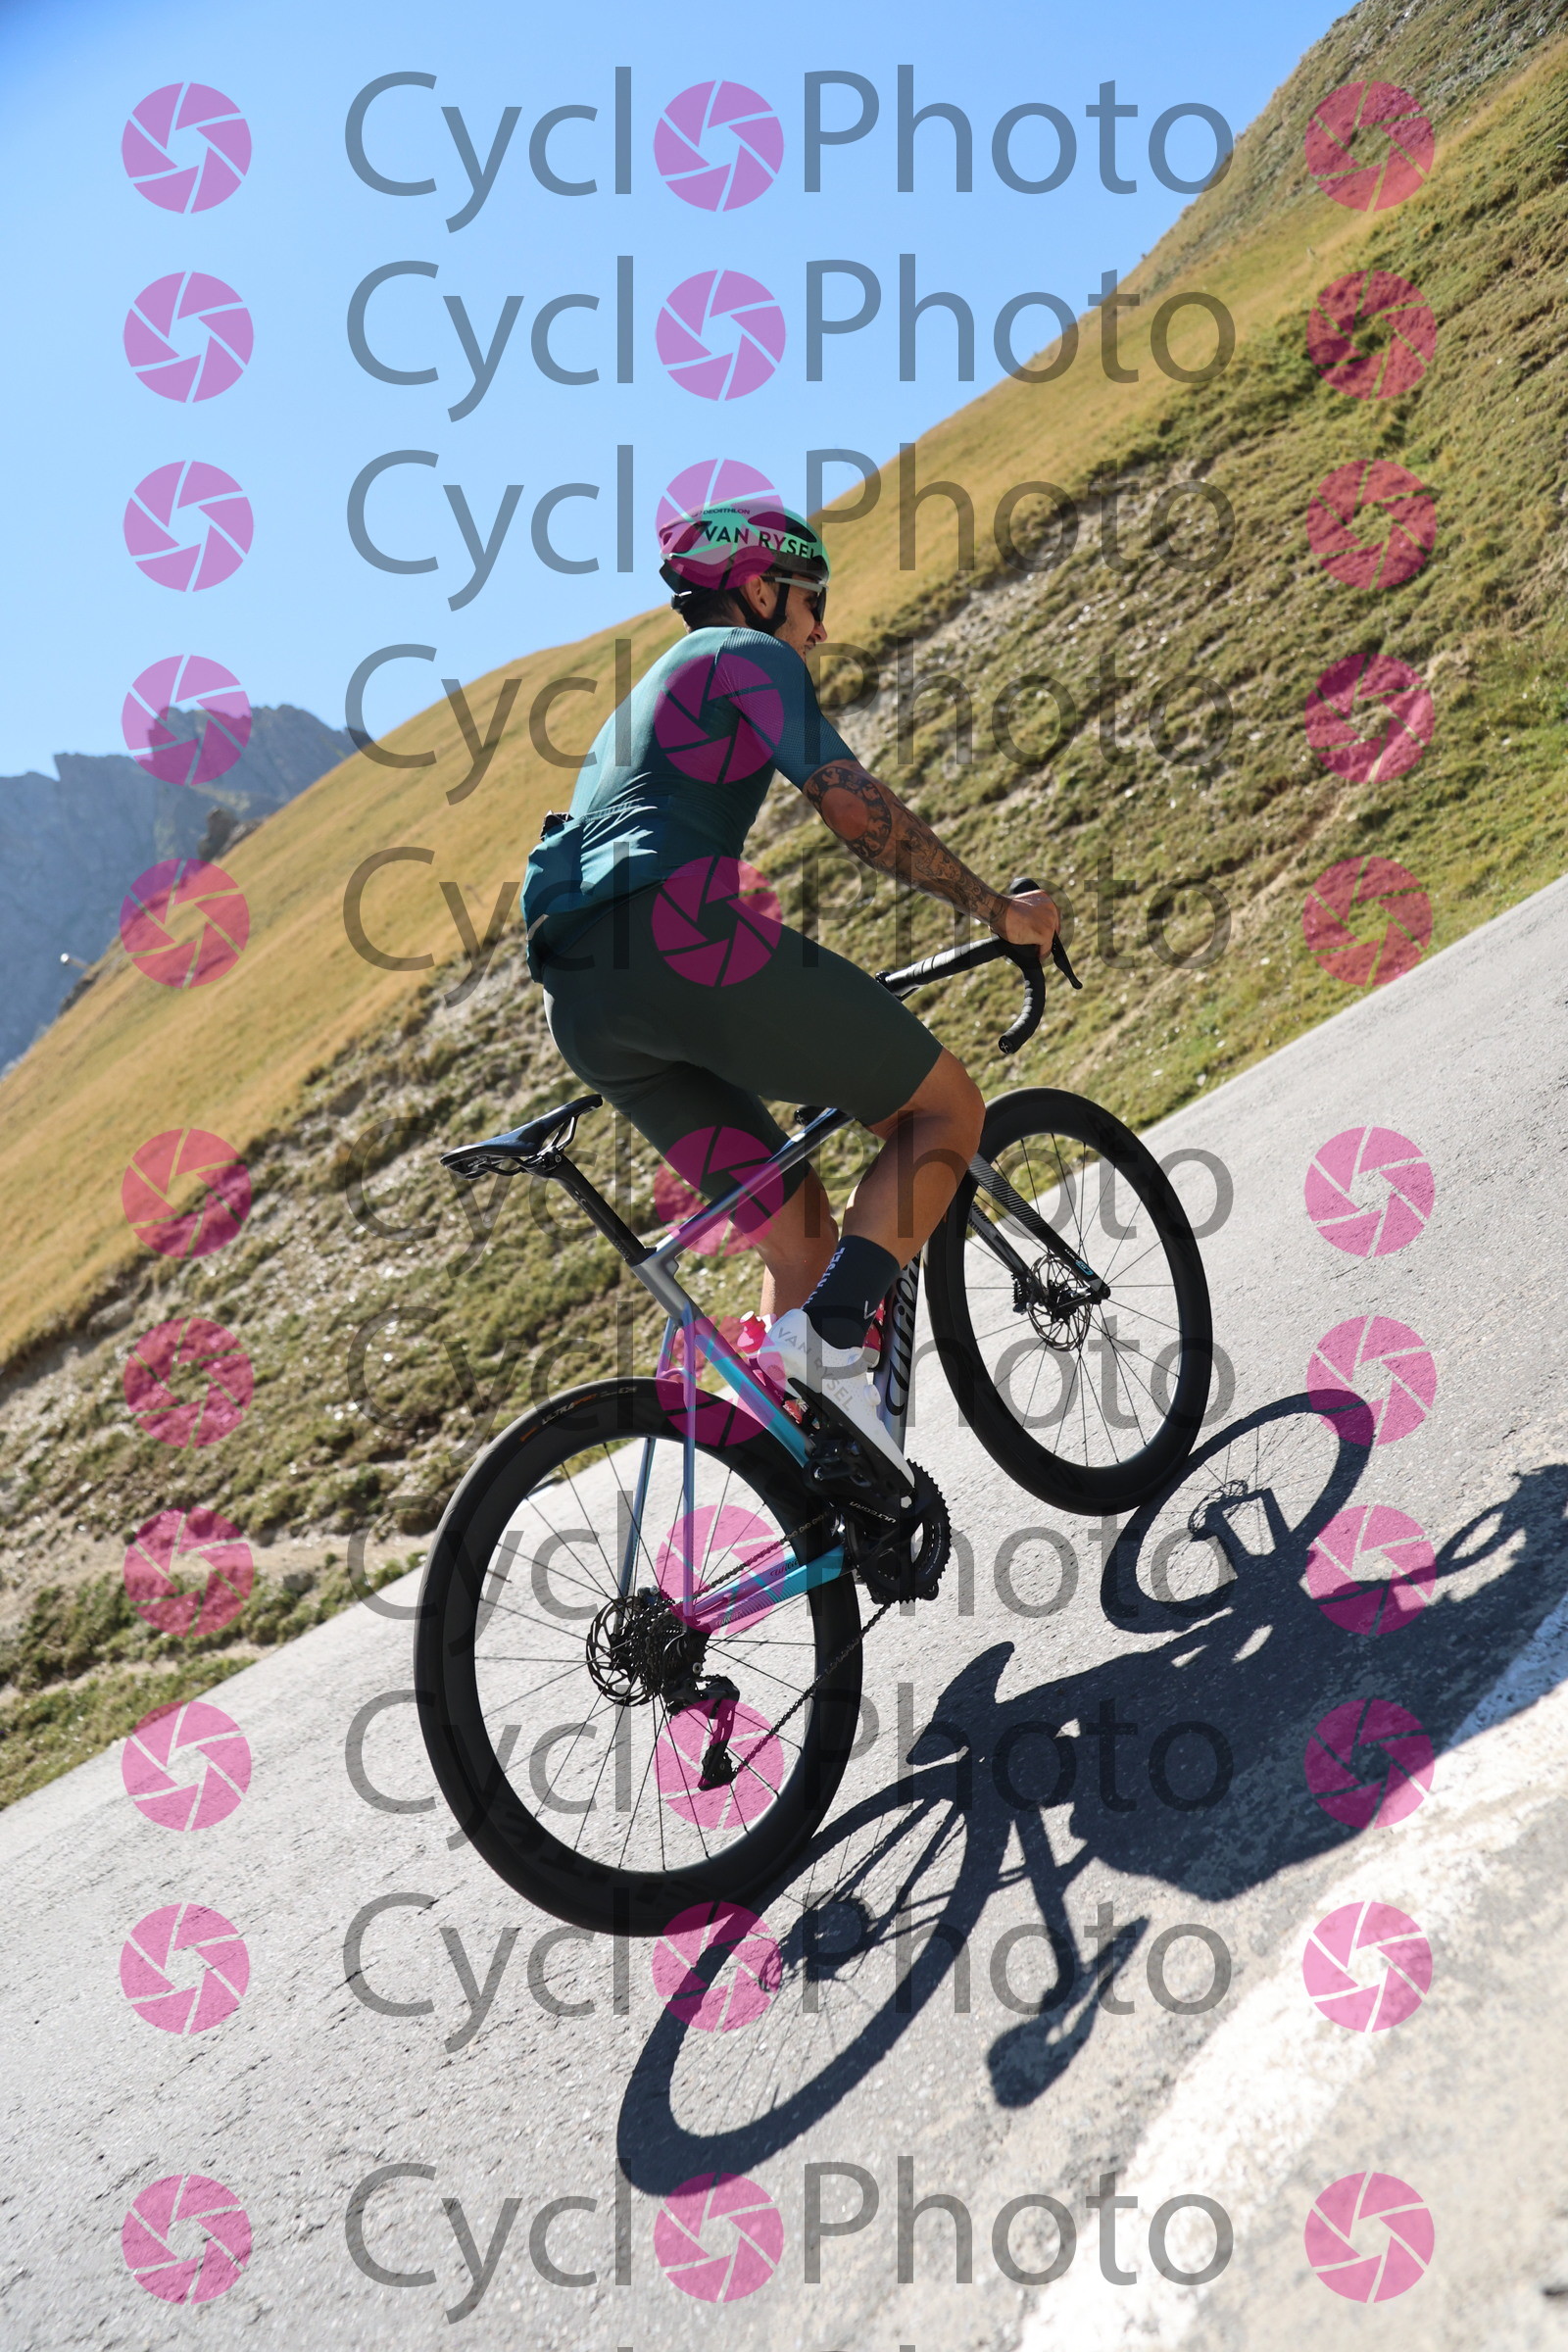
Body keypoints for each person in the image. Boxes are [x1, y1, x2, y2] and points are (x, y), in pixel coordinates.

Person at [520, 499, 1058, 1483]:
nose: (821, 628)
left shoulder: (641, 704)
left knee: (801, 1237)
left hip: (584, 1007)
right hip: (677, 942)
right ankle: (833, 1334)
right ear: (761, 590)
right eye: (813, 601)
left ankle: (809, 1489)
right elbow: (849, 805)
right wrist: (993, 909)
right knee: (945, 1110)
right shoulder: (744, 653)